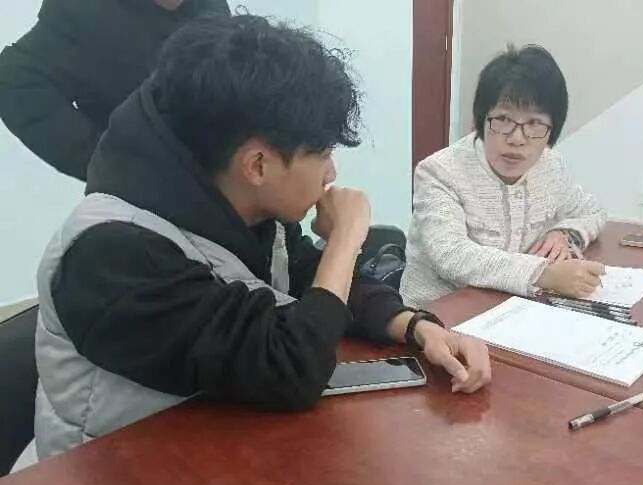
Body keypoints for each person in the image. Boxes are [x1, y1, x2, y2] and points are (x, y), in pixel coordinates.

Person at [32, 14, 491, 459]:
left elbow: (307, 278)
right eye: (323, 154)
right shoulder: (113, 255)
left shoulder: (237, 199)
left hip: (214, 455)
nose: (332, 173)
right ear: (257, 165)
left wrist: (415, 326)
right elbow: (290, 368)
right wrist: (347, 238)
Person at [400, 45, 607, 310]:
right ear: (481, 120)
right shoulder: (440, 172)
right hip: (436, 316)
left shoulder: (550, 166)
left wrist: (563, 233)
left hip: (513, 308)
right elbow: (451, 255)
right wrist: (543, 274)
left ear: (552, 130)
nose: (517, 138)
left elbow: (592, 211)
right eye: (503, 119)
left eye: (534, 123)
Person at [0, 0, 230, 181]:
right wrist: (112, 163)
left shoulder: (209, 6)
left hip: (227, 187)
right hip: (152, 206)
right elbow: (14, 78)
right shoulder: (82, 11)